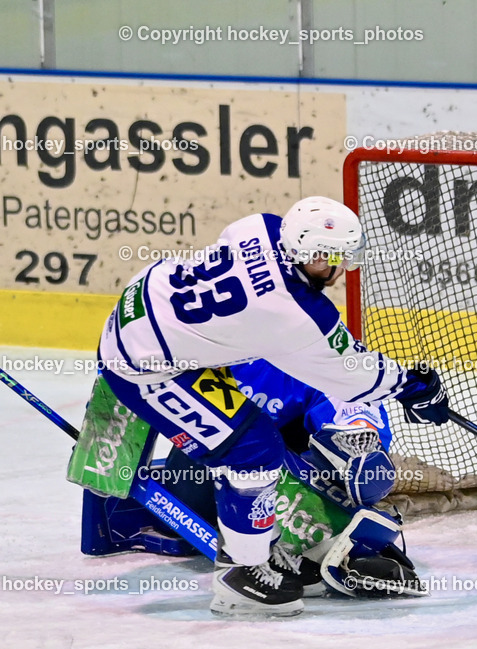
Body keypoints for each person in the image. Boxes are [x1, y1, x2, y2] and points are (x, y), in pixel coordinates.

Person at [95, 196, 448, 617]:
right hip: (145, 365)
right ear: (315, 256)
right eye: (334, 260)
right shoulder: (295, 312)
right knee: (253, 452)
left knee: (250, 435)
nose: (338, 272)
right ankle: (239, 577)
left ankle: (255, 543)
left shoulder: (260, 226)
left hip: (142, 306)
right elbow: (353, 374)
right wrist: (412, 388)